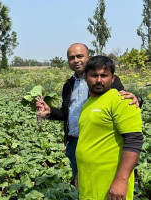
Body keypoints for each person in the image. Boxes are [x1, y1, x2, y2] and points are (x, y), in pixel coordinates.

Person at [35, 43, 142, 186]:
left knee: (105, 185)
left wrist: (138, 99)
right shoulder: (68, 85)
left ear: (88, 57)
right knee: (82, 186)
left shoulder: (103, 80)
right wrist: (50, 112)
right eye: (71, 58)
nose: (76, 60)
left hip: (99, 144)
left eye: (80, 56)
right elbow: (67, 114)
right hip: (74, 144)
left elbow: (124, 101)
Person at [77, 55, 143, 199]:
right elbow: (87, 139)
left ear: (113, 78)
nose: (99, 80)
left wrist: (121, 180)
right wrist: (79, 174)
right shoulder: (87, 104)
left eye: (104, 75)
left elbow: (134, 140)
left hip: (110, 183)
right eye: (94, 75)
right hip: (89, 180)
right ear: (85, 78)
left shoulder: (122, 101)